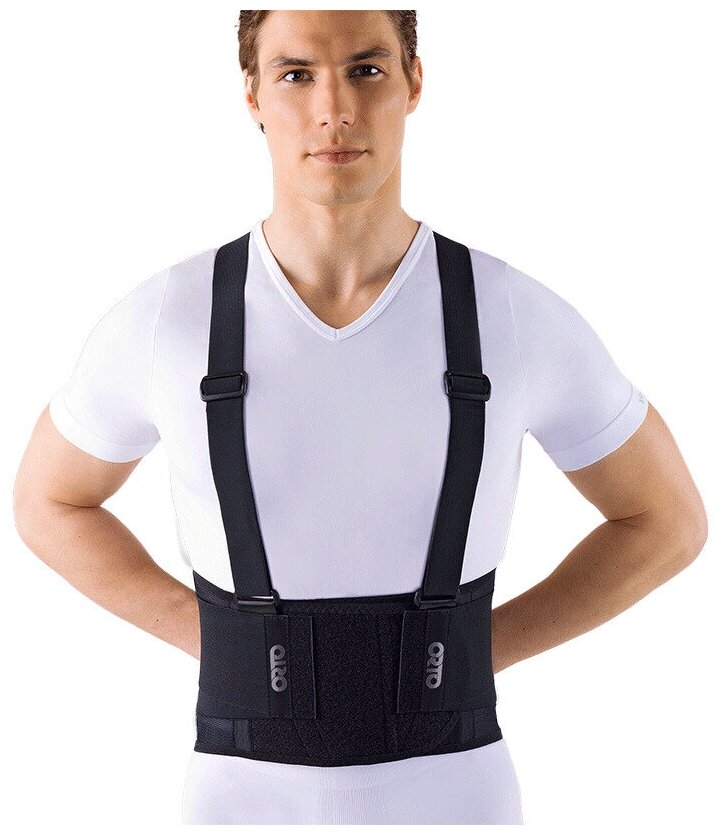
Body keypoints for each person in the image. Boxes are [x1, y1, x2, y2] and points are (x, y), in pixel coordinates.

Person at [12, 9, 707, 826]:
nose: (333, 109)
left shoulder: (510, 315)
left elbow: (668, 521)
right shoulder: (169, 318)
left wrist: (477, 651)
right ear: (252, 94)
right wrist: (209, 636)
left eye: (366, 70)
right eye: (296, 74)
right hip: (242, 801)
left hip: (455, 798)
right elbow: (47, 502)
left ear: (414, 82)